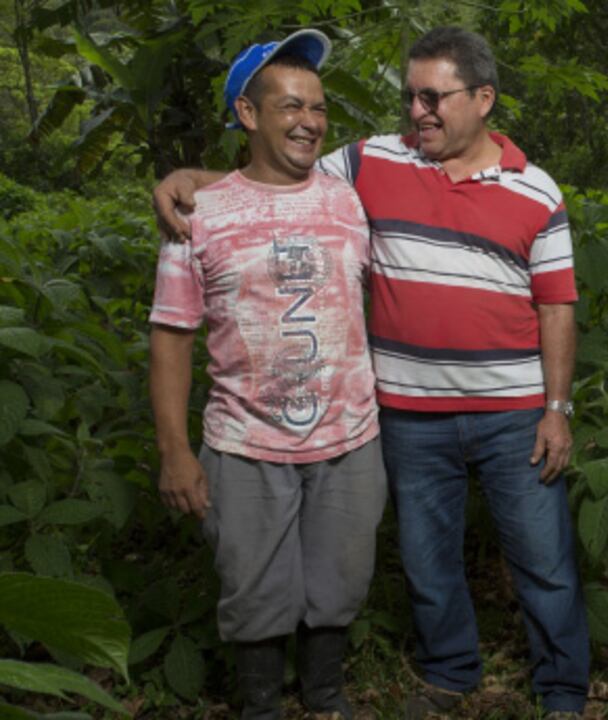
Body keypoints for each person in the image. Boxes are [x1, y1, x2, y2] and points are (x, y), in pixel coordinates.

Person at [154, 26, 590, 719]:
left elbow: (558, 305)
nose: (418, 112)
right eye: (410, 97)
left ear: (483, 99)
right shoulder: (369, 163)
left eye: (434, 97)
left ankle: (564, 693)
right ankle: (450, 674)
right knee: (427, 559)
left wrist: (557, 410)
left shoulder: (536, 190)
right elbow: (272, 175)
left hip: (511, 414)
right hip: (409, 415)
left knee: (543, 560)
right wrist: (189, 183)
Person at [148, 29, 385, 720]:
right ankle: (259, 706)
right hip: (245, 444)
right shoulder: (198, 218)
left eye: (316, 106)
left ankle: (327, 698)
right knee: (252, 592)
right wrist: (174, 452)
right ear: (248, 115)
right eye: (288, 106)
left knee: (341, 582)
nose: (308, 121)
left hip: (350, 437)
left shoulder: (349, 195)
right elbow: (170, 337)